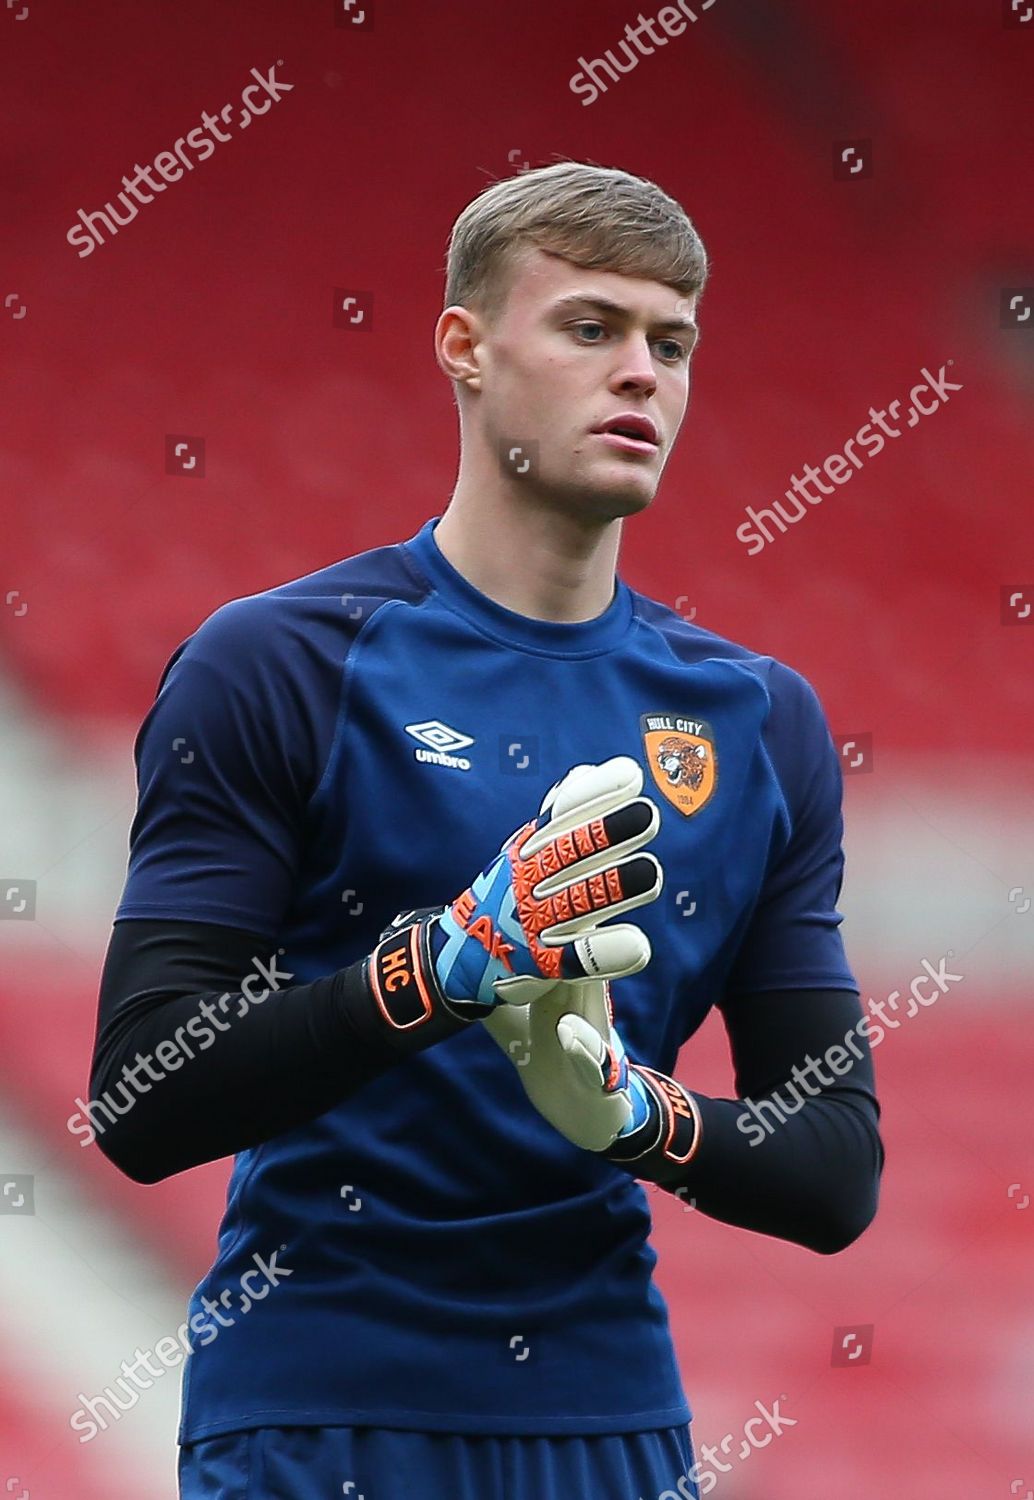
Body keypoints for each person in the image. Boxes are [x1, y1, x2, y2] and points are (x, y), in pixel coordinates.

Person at [90, 159, 884, 1500]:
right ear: (464, 346)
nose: (641, 371)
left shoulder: (756, 722)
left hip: (609, 1425)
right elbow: (141, 1094)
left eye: (670, 343)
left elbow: (834, 1169)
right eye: (590, 326)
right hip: (315, 1421)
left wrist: (636, 1114)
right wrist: (439, 972)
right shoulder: (280, 664)